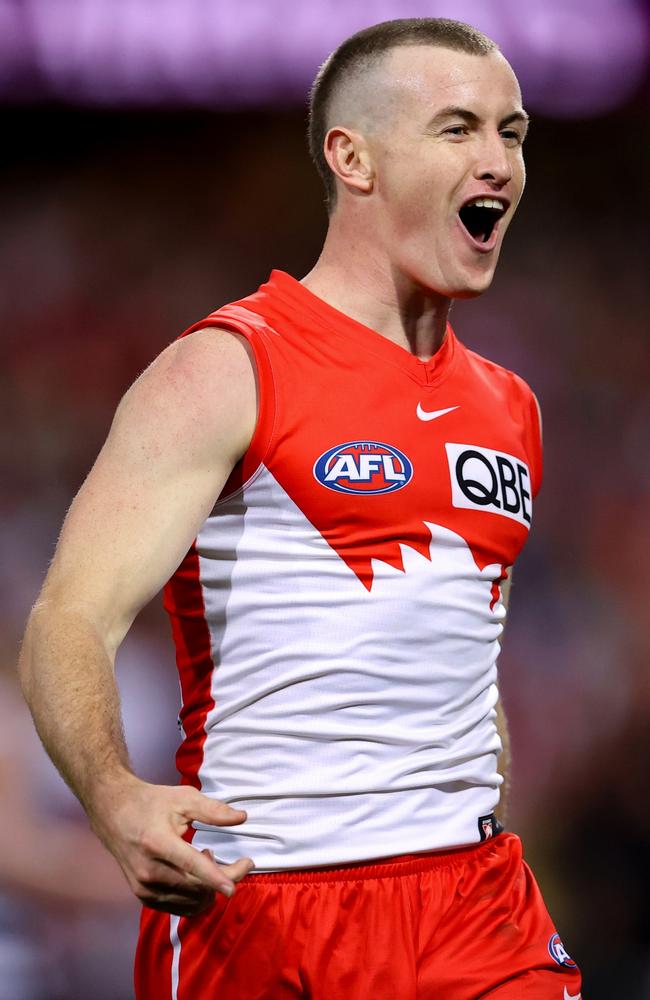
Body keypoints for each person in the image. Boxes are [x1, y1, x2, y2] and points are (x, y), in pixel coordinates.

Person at [19, 17, 584, 999]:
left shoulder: (510, 407)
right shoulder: (228, 368)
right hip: (267, 902)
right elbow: (67, 617)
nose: (496, 160)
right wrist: (112, 795)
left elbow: (457, 633)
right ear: (351, 156)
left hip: (473, 902)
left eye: (512, 130)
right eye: (457, 129)